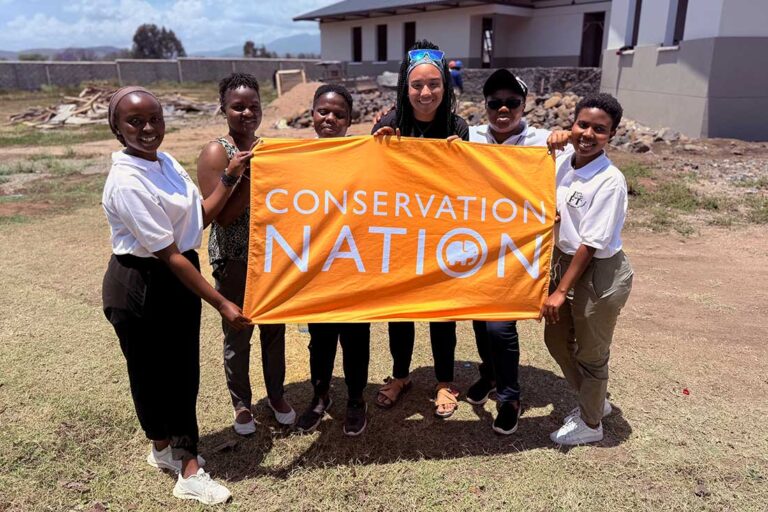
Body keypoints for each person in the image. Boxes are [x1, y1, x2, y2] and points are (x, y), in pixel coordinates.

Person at [102, 86, 252, 504]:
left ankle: (164, 450)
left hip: (176, 277)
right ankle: (188, 469)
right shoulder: (126, 180)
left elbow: (197, 220)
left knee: (178, 372)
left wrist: (230, 176)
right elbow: (169, 253)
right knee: (156, 375)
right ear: (117, 127)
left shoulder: (163, 162)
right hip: (141, 284)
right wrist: (221, 302)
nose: (148, 128)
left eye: (155, 119)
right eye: (135, 121)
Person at [371, 40, 469, 418]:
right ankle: (400, 376)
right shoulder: (388, 123)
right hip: (400, 237)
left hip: (442, 235)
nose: (425, 93)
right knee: (401, 311)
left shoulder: (458, 127)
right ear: (404, 86)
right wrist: (375, 147)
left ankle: (445, 380)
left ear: (445, 85)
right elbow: (370, 179)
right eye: (417, 85)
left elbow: (469, 189)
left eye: (434, 84)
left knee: (443, 313)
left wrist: (463, 158)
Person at [197, 73, 295, 436]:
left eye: (253, 106)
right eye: (238, 107)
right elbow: (221, 216)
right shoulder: (216, 152)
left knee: (274, 329)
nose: (247, 113)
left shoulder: (269, 149)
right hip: (235, 258)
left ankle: (277, 396)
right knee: (238, 332)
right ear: (223, 109)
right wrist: (242, 174)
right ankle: (242, 404)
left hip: (271, 258)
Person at [541, 93, 633, 445]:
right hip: (564, 261)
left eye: (600, 129)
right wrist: (553, 137)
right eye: (582, 124)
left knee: (591, 353)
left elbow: (591, 243)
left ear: (611, 135)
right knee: (556, 340)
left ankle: (592, 422)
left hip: (599, 271)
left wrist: (561, 290)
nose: (588, 133)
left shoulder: (610, 181)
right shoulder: (564, 161)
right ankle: (596, 399)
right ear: (572, 124)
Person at [465, 69, 552, 435]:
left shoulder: (543, 143)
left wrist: (566, 137)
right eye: (495, 102)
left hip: (516, 252)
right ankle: (489, 374)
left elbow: (582, 146)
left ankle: (510, 395)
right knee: (479, 322)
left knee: (500, 327)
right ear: (485, 106)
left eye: (512, 102)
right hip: (474, 246)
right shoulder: (470, 136)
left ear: (524, 104)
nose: (504, 109)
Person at [294, 84, 372, 437]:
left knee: (356, 339)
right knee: (320, 340)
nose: (330, 118)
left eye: (339, 114)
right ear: (312, 114)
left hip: (354, 267)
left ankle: (356, 399)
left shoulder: (364, 154)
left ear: (349, 120)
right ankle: (320, 395)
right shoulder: (295, 158)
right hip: (318, 269)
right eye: (323, 111)